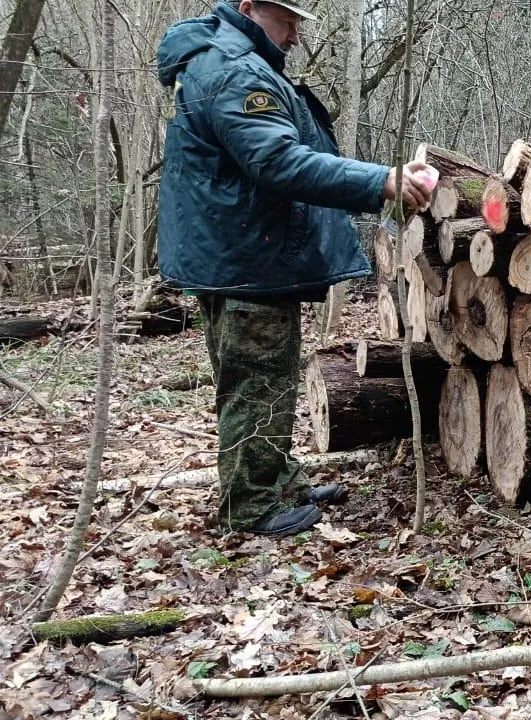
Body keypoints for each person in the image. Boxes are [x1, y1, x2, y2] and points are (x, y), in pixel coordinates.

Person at [155, 0, 432, 535]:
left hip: (249, 254)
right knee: (255, 383)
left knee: (270, 378)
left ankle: (278, 478)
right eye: (288, 23)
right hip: (243, 261)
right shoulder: (233, 71)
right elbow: (278, 161)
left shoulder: (232, 62)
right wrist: (381, 181)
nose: (295, 37)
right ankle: (251, 506)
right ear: (249, 9)